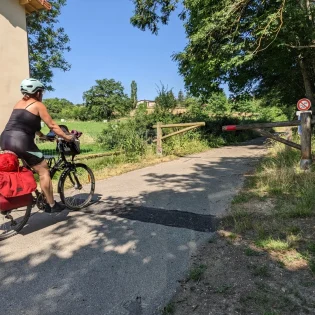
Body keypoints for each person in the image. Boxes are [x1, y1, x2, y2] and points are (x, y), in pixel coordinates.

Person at [0, 78, 74, 212]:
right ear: (37, 92)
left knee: (28, 168)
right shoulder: (38, 105)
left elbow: (26, 122)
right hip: (22, 142)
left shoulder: (18, 104)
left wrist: (42, 136)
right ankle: (51, 205)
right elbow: (52, 125)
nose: (42, 94)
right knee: (44, 170)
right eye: (41, 92)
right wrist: (67, 137)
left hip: (5, 139)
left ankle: (31, 193)